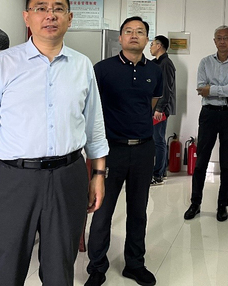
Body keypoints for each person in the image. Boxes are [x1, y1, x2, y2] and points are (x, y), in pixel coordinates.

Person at [0, 0, 108, 286]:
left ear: (69, 18)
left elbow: (95, 127)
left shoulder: (82, 66)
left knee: (60, 270)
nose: (50, 15)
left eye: (58, 9)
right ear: (27, 17)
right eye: (41, 8)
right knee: (5, 270)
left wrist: (98, 175)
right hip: (14, 180)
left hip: (68, 177)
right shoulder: (2, 65)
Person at [86, 16, 163, 286]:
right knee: (103, 211)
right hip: (111, 150)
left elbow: (151, 103)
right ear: (120, 38)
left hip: (143, 149)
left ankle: (134, 264)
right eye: (128, 31)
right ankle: (97, 267)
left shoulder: (155, 71)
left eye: (140, 32)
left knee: (138, 211)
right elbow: (92, 108)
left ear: (147, 39)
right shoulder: (102, 69)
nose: (134, 35)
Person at [183, 25, 228, 222]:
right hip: (208, 114)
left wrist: (212, 90)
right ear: (214, 41)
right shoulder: (205, 62)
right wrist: (224, 91)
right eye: (219, 38)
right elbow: (201, 87)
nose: (222, 41)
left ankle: (222, 205)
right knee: (201, 161)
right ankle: (195, 203)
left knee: (226, 164)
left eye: (226, 38)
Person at [149, 34, 176, 185]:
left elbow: (166, 89)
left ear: (159, 46)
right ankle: (162, 171)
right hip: (156, 108)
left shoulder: (166, 64)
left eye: (152, 44)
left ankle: (158, 175)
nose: (150, 47)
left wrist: (159, 108)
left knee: (158, 140)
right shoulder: (157, 63)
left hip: (160, 109)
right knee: (158, 139)